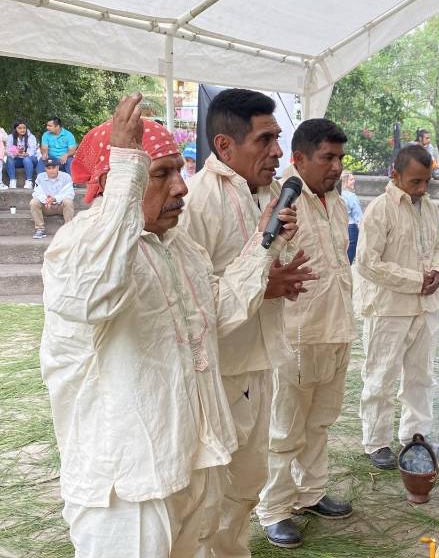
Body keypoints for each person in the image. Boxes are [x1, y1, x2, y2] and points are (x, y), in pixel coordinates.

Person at [39, 93, 298, 557]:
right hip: (128, 486)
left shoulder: (179, 249)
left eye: (180, 171)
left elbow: (218, 314)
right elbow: (94, 295)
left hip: (193, 463)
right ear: (118, 180)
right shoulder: (78, 248)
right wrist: (125, 168)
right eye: (161, 174)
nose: (181, 187)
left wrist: (263, 241)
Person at [180, 88, 317, 557]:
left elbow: (260, 268)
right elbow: (195, 305)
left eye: (277, 138)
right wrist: (266, 282)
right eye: (266, 139)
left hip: (258, 362)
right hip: (218, 373)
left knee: (247, 483)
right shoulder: (198, 200)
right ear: (225, 147)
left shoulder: (270, 195)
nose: (278, 151)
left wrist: (278, 278)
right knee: (212, 493)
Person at [257, 119, 357, 548]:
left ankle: (311, 492)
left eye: (339, 158)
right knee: (285, 428)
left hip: (336, 328)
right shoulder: (284, 200)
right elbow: (264, 263)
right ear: (297, 159)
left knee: (321, 421)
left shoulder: (335, 200)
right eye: (326, 158)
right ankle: (274, 508)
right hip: (297, 333)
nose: (335, 167)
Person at [354, 144, 439, 469]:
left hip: (426, 307)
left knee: (421, 376)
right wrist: (414, 280)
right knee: (381, 376)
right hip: (389, 309)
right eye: (415, 182)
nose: (422, 189)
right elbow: (368, 263)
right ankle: (376, 441)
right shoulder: (380, 209)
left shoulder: (430, 208)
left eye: (427, 182)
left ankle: (415, 436)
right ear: (394, 175)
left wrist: (438, 271)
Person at [30, 158, 74, 239]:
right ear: (45, 168)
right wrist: (46, 200)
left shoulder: (66, 176)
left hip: (61, 206)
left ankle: (68, 229)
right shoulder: (40, 177)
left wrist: (54, 199)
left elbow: (69, 193)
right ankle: (40, 229)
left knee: (68, 201)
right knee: (34, 202)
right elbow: (36, 193)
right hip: (46, 206)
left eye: (53, 168)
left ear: (58, 167)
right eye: (48, 168)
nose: (51, 170)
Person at [4, 121, 40, 189]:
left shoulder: (31, 136)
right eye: (19, 128)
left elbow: (33, 150)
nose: (22, 130)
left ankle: (29, 181)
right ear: (15, 129)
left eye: (24, 128)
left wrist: (26, 154)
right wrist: (16, 153)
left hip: (30, 160)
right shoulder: (10, 137)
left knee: (26, 159)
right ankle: (12, 181)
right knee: (9, 159)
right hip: (17, 160)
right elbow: (8, 150)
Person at [340, 170, 363, 264]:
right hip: (351, 229)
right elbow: (359, 217)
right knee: (348, 258)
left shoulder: (338, 195)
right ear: (345, 182)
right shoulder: (351, 197)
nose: (354, 181)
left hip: (341, 226)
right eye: (351, 179)